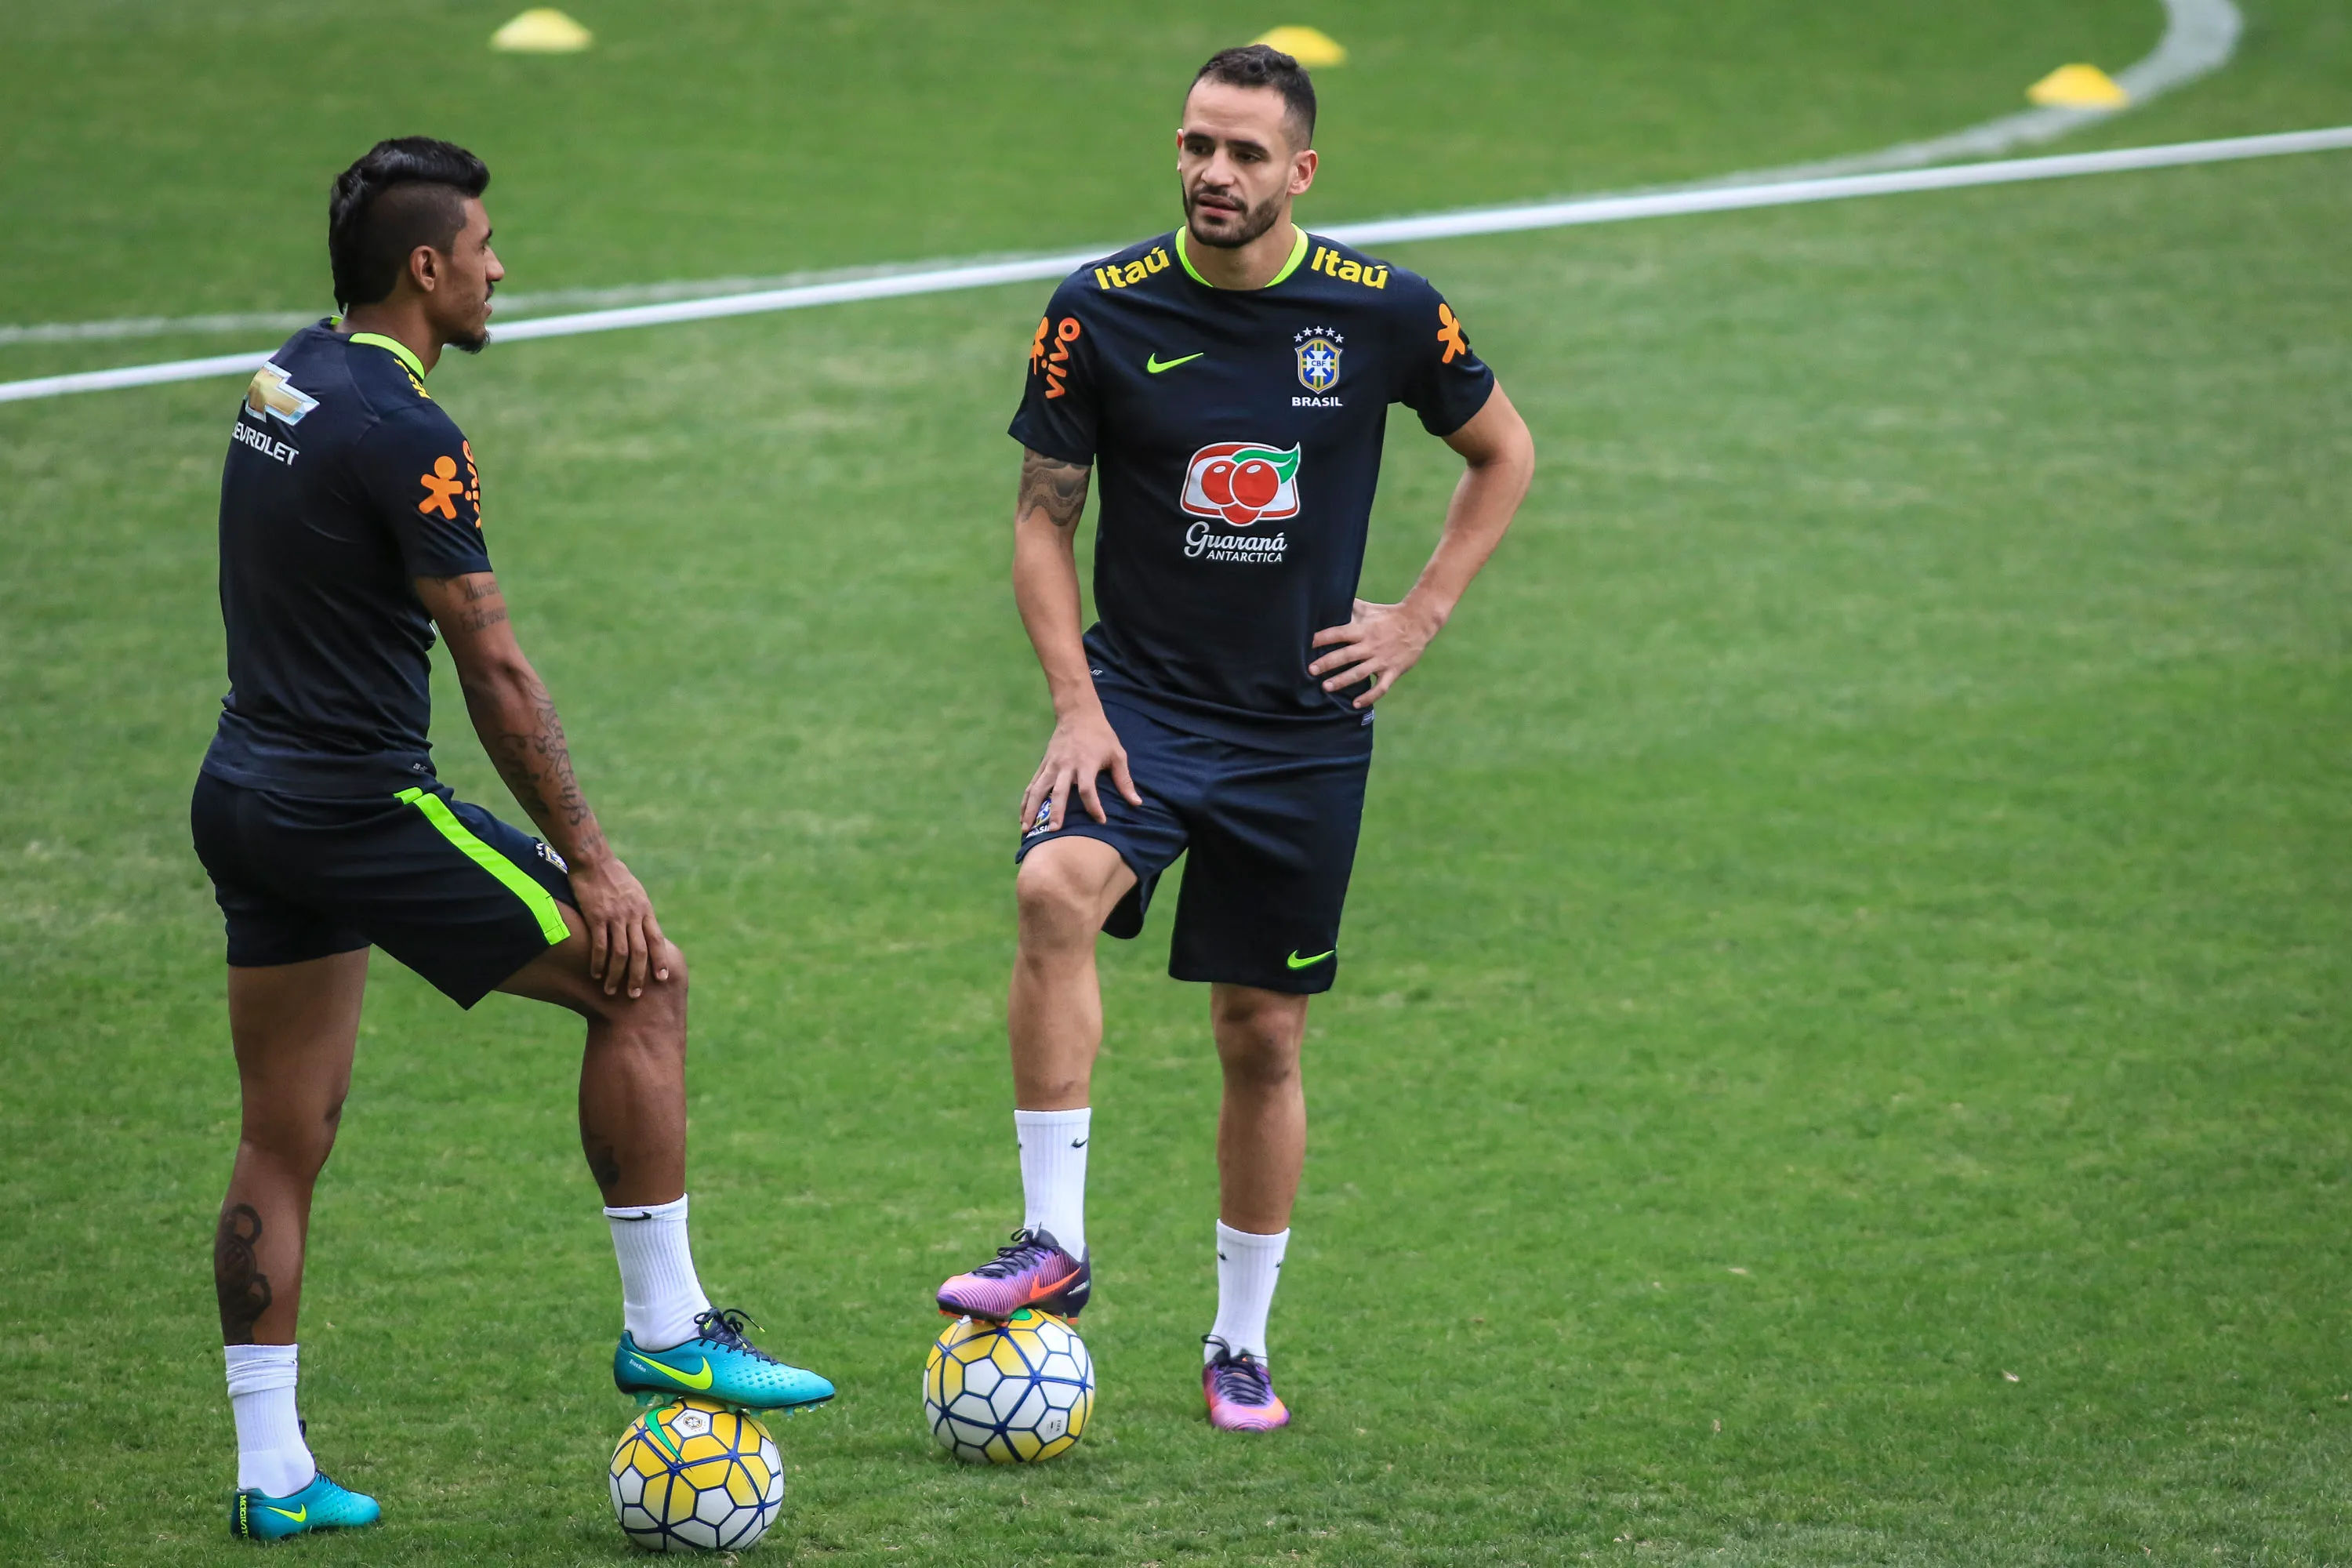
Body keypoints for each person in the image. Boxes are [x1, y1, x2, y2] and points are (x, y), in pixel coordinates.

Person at [193, 137, 831, 1541]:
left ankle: (274, 1474)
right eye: (483, 247)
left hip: (241, 795)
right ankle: (667, 1323)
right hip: (356, 801)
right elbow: (493, 668)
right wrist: (595, 861)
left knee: (284, 1138)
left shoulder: (286, 375)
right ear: (426, 269)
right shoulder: (411, 431)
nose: (500, 269)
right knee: (643, 978)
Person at [935, 45, 1536, 1432]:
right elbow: (1043, 516)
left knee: (1263, 1036)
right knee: (1050, 886)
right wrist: (1075, 705)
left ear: (1300, 173)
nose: (1214, 173)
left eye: (1246, 153)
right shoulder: (1099, 310)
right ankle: (1054, 1245)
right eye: (1198, 144)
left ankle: (1239, 1342)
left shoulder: (1386, 314)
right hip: (1137, 703)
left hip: (1302, 734)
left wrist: (1419, 618)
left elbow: (1503, 450)